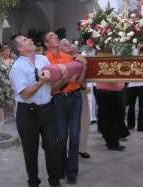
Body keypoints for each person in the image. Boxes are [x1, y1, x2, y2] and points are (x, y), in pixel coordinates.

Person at [9, 35, 61, 187]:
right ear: (20, 49)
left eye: (28, 38)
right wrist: (41, 82)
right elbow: (24, 94)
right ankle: (33, 182)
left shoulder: (43, 59)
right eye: (25, 40)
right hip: (28, 113)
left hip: (47, 108)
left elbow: (52, 84)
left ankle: (54, 180)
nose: (30, 40)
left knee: (53, 146)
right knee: (30, 151)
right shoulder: (17, 67)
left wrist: (61, 78)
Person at [44, 32, 87, 185]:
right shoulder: (45, 59)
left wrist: (85, 65)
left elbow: (81, 82)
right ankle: (61, 168)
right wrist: (66, 80)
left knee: (75, 136)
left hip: (75, 98)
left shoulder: (71, 58)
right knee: (61, 138)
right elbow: (50, 87)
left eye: (56, 35)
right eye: (52, 36)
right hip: (59, 100)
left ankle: (72, 172)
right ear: (47, 44)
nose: (55, 36)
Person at [59, 39, 91, 160]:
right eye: (65, 44)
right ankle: (66, 151)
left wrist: (84, 65)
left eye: (70, 44)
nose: (69, 46)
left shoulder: (79, 58)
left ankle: (82, 148)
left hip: (80, 93)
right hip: (62, 95)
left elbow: (82, 81)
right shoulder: (59, 60)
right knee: (65, 128)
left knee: (84, 121)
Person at [96, 82, 130, 151]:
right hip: (106, 91)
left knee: (118, 117)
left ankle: (112, 141)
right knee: (108, 117)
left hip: (117, 91)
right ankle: (111, 142)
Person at [0, 45, 15, 127]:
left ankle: (5, 116)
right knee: (1, 102)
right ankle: (2, 118)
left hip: (10, 85)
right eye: (6, 51)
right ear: (2, 52)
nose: (7, 53)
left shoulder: (12, 61)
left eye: (9, 51)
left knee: (9, 103)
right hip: (0, 84)